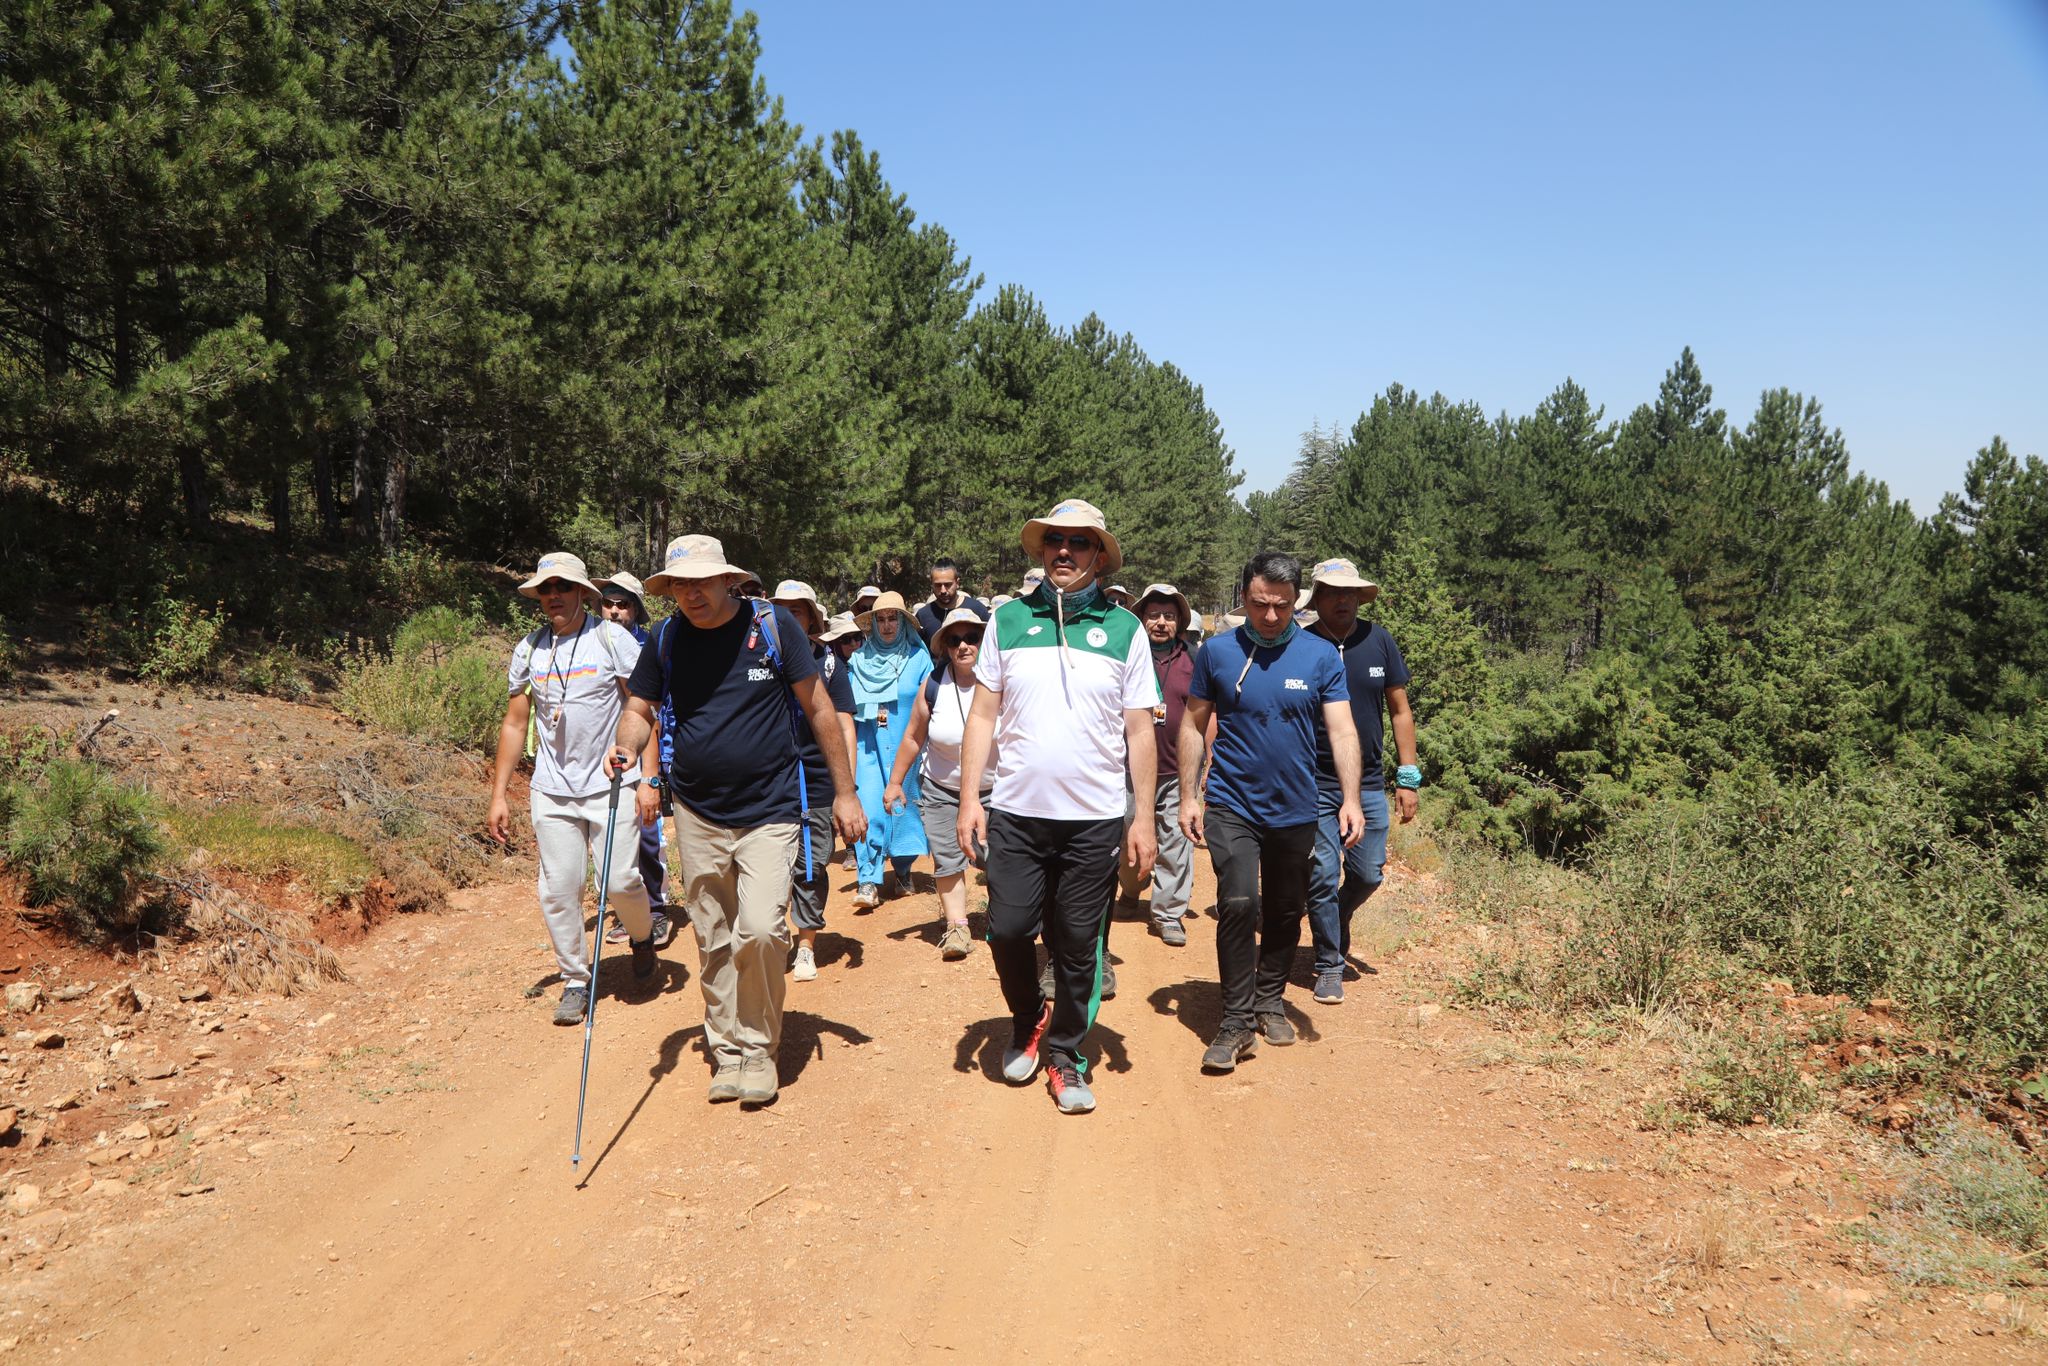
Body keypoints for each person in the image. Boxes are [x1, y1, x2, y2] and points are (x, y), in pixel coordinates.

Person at [613, 536, 864, 1106]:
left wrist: (846, 793)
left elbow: (819, 708)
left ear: (728, 580)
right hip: (698, 811)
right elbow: (638, 709)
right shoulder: (666, 638)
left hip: (771, 809)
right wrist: (626, 749)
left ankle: (759, 1047)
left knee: (758, 929)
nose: (692, 593)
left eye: (702, 581)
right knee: (713, 937)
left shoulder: (773, 627)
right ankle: (727, 1050)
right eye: (680, 584)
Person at [959, 498, 1158, 1115]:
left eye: (1078, 543)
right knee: (1009, 928)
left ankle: (1066, 1052)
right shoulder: (1009, 619)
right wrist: (971, 798)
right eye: (1054, 542)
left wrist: (1143, 816)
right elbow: (984, 714)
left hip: (1094, 818)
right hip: (1017, 812)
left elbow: (1140, 731)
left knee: (1077, 944)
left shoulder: (1124, 628)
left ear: (1099, 555)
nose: (1063, 552)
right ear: (1043, 552)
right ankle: (1027, 1022)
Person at [1178, 551, 1363, 1074]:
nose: (1271, 616)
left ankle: (1268, 998)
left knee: (1286, 908)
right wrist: (1189, 795)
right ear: (1244, 597)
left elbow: (1343, 730)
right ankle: (1235, 1021)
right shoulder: (1217, 653)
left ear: (1297, 602)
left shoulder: (1321, 656)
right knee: (1238, 901)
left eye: (1282, 606)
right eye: (1260, 604)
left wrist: (1351, 799)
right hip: (1232, 802)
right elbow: (1193, 726)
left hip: (1297, 807)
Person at [487, 553, 659, 1026]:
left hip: (613, 781)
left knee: (618, 880)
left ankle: (643, 936)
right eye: (546, 589)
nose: (554, 596)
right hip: (552, 787)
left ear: (583, 592)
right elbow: (516, 723)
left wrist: (650, 778)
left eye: (563, 586)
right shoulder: (530, 649)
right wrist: (500, 794)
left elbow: (643, 708)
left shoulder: (611, 639)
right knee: (559, 888)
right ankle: (577, 979)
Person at [1304, 558, 1419, 1004]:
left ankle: (1338, 913)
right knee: (1322, 873)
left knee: (1369, 873)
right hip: (1314, 780)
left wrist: (1407, 777)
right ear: (1318, 599)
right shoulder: (1302, 642)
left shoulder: (1379, 641)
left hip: (1369, 781)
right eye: (1334, 592)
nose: (1344, 599)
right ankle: (1328, 963)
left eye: (1350, 593)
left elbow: (1400, 710)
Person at [883, 607, 992, 962]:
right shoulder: (933, 685)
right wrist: (896, 782)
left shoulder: (1002, 682)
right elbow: (914, 737)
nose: (963, 646)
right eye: (954, 640)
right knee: (947, 858)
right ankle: (957, 927)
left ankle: (1001, 916)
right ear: (945, 647)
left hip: (998, 790)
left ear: (984, 641)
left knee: (999, 860)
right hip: (942, 788)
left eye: (971, 638)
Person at [770, 581, 858, 983]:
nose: (788, 619)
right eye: (781, 610)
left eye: (797, 611)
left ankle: (805, 943)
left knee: (812, 864)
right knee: (772, 865)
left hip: (819, 781)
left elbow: (843, 725)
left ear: (812, 618)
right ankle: (772, 937)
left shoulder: (827, 665)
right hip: (771, 781)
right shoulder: (760, 661)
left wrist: (849, 790)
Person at [1118, 584, 1203, 947]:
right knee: (1125, 838)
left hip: (1177, 770)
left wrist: (1208, 760)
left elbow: (1205, 714)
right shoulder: (1125, 654)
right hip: (1127, 769)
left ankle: (1168, 913)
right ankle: (1132, 889)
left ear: (1180, 621)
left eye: (1169, 616)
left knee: (1176, 841)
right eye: (1153, 615)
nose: (1161, 623)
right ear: (1141, 619)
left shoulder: (1195, 660)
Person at [595, 572, 675, 952]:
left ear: (636, 610)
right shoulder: (592, 645)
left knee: (648, 834)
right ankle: (633, 914)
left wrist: (654, 771)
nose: (613, 610)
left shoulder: (652, 645)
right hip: (611, 761)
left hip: (656, 751)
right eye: (608, 603)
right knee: (618, 841)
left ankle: (656, 910)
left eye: (622, 604)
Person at [849, 591, 932, 907]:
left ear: (903, 622)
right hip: (868, 746)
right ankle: (868, 880)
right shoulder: (858, 661)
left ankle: (903, 871)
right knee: (869, 808)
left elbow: (929, 706)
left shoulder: (918, 658)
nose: (886, 626)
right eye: (880, 620)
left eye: (892, 618)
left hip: (906, 747)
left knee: (904, 808)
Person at [913, 556, 989, 642]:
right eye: (938, 585)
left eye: (948, 585)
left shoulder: (977, 610)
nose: (943, 591)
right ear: (931, 584)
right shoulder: (923, 616)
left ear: (957, 583)